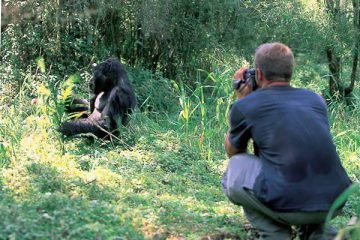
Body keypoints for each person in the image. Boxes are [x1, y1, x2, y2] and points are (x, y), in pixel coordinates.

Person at [222, 42, 351, 240]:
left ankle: (275, 234)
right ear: (290, 71)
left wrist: (242, 99)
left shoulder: (246, 105)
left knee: (235, 168)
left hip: (291, 203)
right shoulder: (315, 100)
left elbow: (233, 151)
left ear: (259, 74)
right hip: (334, 201)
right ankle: (319, 233)